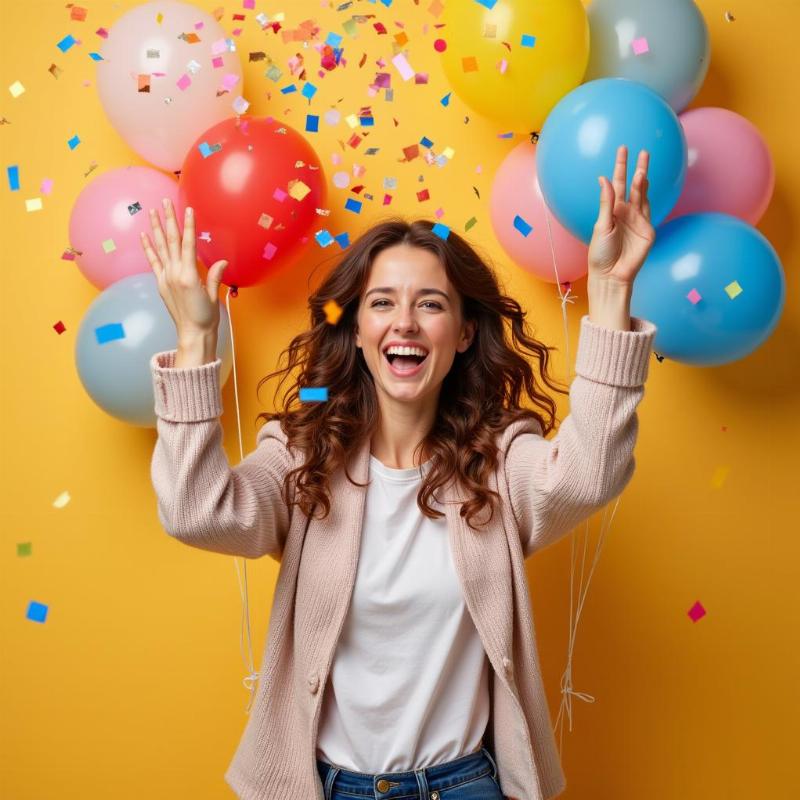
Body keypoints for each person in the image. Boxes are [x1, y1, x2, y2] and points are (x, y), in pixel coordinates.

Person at [142, 145, 657, 800]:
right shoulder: (303, 455)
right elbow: (197, 513)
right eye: (381, 302)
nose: (405, 322)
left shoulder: (499, 461)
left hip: (464, 785)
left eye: (432, 305)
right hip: (327, 788)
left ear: (465, 333)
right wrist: (194, 341)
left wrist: (610, 293)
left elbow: (588, 476)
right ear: (355, 329)